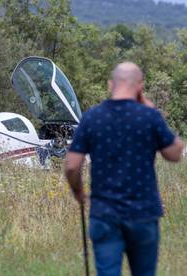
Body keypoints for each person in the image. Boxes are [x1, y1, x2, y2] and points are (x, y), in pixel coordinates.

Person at [64, 62, 184, 276]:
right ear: (140, 86)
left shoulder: (92, 117)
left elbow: (72, 166)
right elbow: (174, 154)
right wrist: (153, 110)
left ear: (111, 84)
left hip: (104, 213)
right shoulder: (149, 117)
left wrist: (79, 193)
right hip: (144, 213)